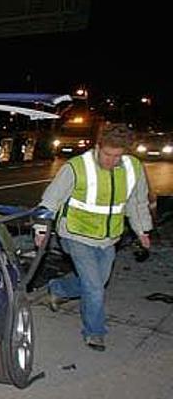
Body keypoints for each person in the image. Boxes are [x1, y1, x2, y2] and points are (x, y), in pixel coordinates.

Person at [36, 122, 152, 351]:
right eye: (107, 154)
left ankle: (58, 288)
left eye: (117, 156)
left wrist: (142, 231)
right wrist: (41, 230)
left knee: (95, 282)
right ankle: (95, 332)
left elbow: (136, 203)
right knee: (95, 288)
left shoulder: (133, 168)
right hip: (75, 234)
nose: (111, 161)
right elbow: (50, 201)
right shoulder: (77, 167)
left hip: (108, 238)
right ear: (98, 146)